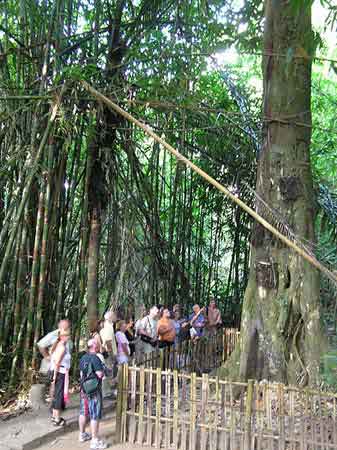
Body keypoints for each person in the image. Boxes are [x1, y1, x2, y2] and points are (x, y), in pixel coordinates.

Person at [79, 339, 107, 449]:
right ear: (94, 346)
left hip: (84, 389)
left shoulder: (83, 358)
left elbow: (81, 374)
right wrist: (104, 369)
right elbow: (100, 375)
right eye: (98, 344)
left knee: (83, 411)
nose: (100, 345)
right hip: (94, 390)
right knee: (94, 414)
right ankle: (95, 441)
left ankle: (82, 434)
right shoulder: (95, 358)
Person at [49, 329, 71, 426]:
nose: (68, 337)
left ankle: (54, 416)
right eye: (66, 335)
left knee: (57, 394)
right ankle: (57, 418)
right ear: (61, 337)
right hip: (59, 372)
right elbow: (57, 362)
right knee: (59, 395)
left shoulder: (58, 345)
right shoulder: (62, 347)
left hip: (58, 371)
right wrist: (54, 377)